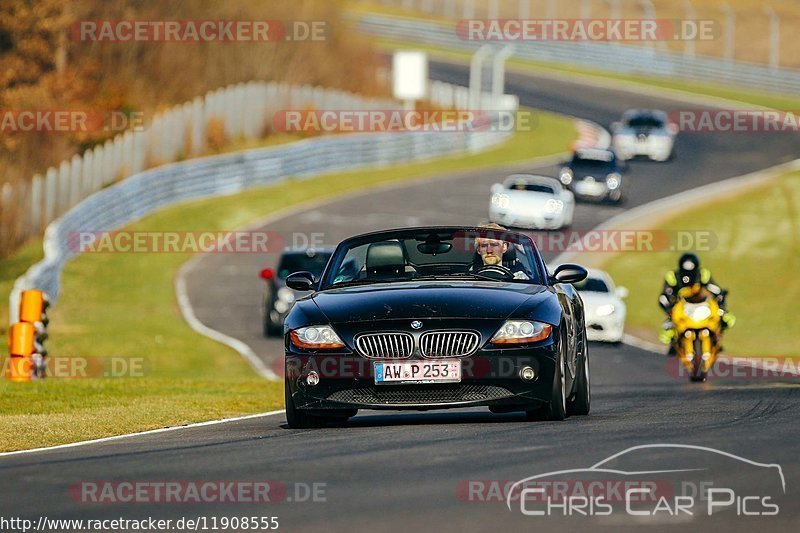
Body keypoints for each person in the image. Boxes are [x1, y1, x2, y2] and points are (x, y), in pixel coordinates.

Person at [658, 253, 735, 348]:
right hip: (681, 307)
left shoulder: (703, 274)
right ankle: (675, 341)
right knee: (667, 331)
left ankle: (716, 336)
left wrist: (721, 304)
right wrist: (669, 310)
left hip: (702, 305)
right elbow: (664, 296)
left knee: (727, 318)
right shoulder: (672, 276)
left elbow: (715, 289)